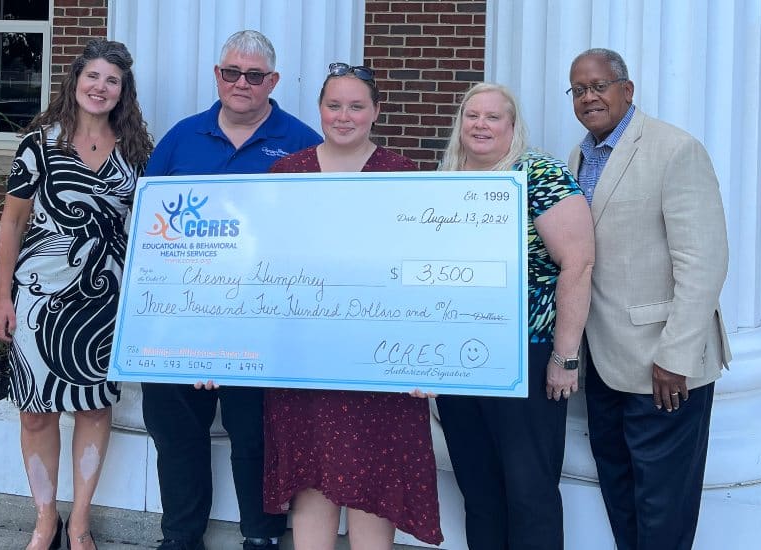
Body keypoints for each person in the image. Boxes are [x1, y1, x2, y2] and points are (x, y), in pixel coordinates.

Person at [140, 30, 321, 550]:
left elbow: (316, 233)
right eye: (231, 73)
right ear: (217, 75)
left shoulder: (304, 143)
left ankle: (260, 538)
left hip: (263, 320)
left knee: (257, 438)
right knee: (176, 436)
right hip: (180, 318)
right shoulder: (181, 138)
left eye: (255, 75)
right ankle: (180, 538)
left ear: (274, 81)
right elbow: (149, 227)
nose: (242, 83)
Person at [261, 62, 443, 550]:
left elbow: (422, 276)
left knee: (373, 491)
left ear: (376, 112)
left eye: (356, 106)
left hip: (379, 365)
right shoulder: (286, 173)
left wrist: (428, 357)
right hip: (305, 362)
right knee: (312, 481)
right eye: (334, 105)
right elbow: (262, 270)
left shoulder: (403, 177)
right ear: (319, 109)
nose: (344, 116)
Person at [566, 48, 731, 550]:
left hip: (664, 367)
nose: (589, 97)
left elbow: (703, 263)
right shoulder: (580, 155)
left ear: (627, 90)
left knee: (663, 509)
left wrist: (676, 356)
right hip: (605, 363)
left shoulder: (675, 150)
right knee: (621, 493)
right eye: (579, 89)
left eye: (599, 85)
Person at [0, 38, 153, 550]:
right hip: (38, 300)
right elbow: (11, 225)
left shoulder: (135, 152)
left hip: (106, 304)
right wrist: (2, 297)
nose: (100, 87)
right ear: (75, 81)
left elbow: (149, 230)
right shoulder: (39, 144)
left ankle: (79, 520)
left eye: (112, 80)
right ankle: (45, 518)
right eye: (93, 77)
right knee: (35, 411)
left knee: (93, 409)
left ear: (122, 92)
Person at [435, 83, 595, 549]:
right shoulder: (446, 177)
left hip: (525, 355)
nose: (480, 125)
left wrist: (565, 356)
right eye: (472, 116)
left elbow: (578, 263)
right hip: (459, 359)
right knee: (478, 487)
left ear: (512, 126)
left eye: (493, 117)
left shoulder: (539, 172)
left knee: (530, 489)